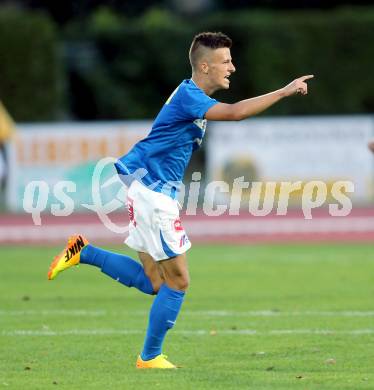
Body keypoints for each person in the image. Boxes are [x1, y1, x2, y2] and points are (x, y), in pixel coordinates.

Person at [47, 32, 313, 369]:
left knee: (156, 281)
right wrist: (284, 91)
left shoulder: (192, 95)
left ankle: (85, 251)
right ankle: (150, 357)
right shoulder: (190, 95)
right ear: (204, 65)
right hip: (153, 193)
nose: (232, 67)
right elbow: (234, 114)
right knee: (178, 281)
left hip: (146, 188)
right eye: (225, 61)